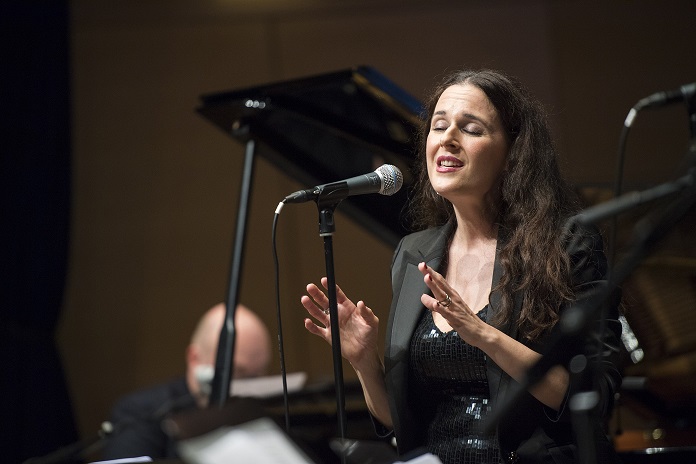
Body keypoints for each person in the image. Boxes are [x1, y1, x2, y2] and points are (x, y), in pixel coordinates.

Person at [301, 69, 623, 464]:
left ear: (513, 154)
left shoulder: (567, 244)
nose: (447, 138)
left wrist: (484, 336)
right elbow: (403, 428)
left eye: (471, 129)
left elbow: (593, 397)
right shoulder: (413, 252)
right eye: (438, 126)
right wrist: (364, 361)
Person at [101, 302, 272, 460]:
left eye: (255, 376)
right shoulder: (141, 413)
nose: (249, 388)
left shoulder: (259, 415)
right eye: (237, 373)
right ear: (195, 358)